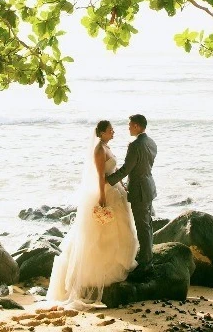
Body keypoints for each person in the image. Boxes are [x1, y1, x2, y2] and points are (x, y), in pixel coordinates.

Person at [46, 120, 138, 308]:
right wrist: (102, 197)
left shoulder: (106, 146)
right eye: (110, 130)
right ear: (102, 132)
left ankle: (118, 266)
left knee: (122, 227)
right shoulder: (98, 150)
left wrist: (121, 185)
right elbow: (99, 176)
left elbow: (111, 171)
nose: (113, 132)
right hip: (105, 191)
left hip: (115, 189)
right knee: (102, 234)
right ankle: (98, 275)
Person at [106, 114, 157, 276]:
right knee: (148, 224)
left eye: (130, 125)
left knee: (142, 226)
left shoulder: (135, 145)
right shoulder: (151, 142)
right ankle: (148, 257)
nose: (128, 127)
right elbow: (144, 166)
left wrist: (108, 180)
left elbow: (127, 169)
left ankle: (146, 263)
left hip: (139, 190)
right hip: (149, 186)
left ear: (136, 126)